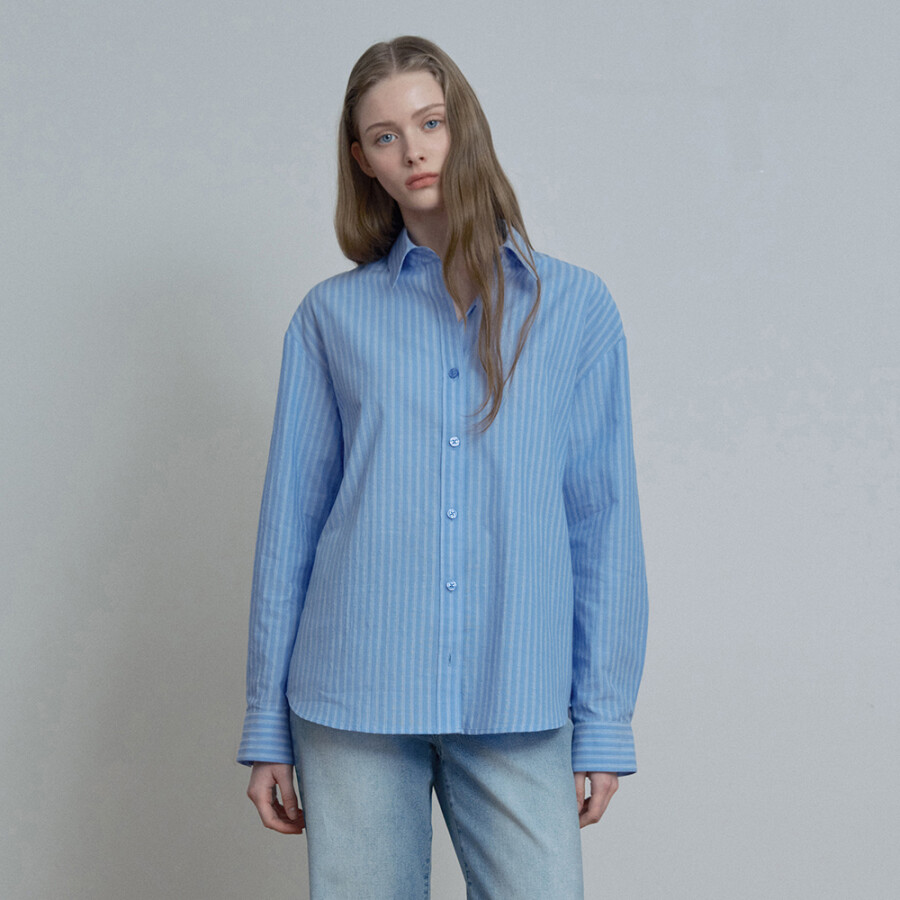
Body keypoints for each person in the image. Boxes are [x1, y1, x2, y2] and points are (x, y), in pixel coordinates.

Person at [237, 35, 648, 899]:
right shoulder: (329, 320)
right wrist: (266, 724)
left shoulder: (576, 310)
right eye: (385, 136)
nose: (414, 150)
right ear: (364, 161)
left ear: (465, 127)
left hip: (517, 692)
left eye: (430, 123)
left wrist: (604, 717)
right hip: (352, 695)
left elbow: (602, 522)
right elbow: (291, 529)